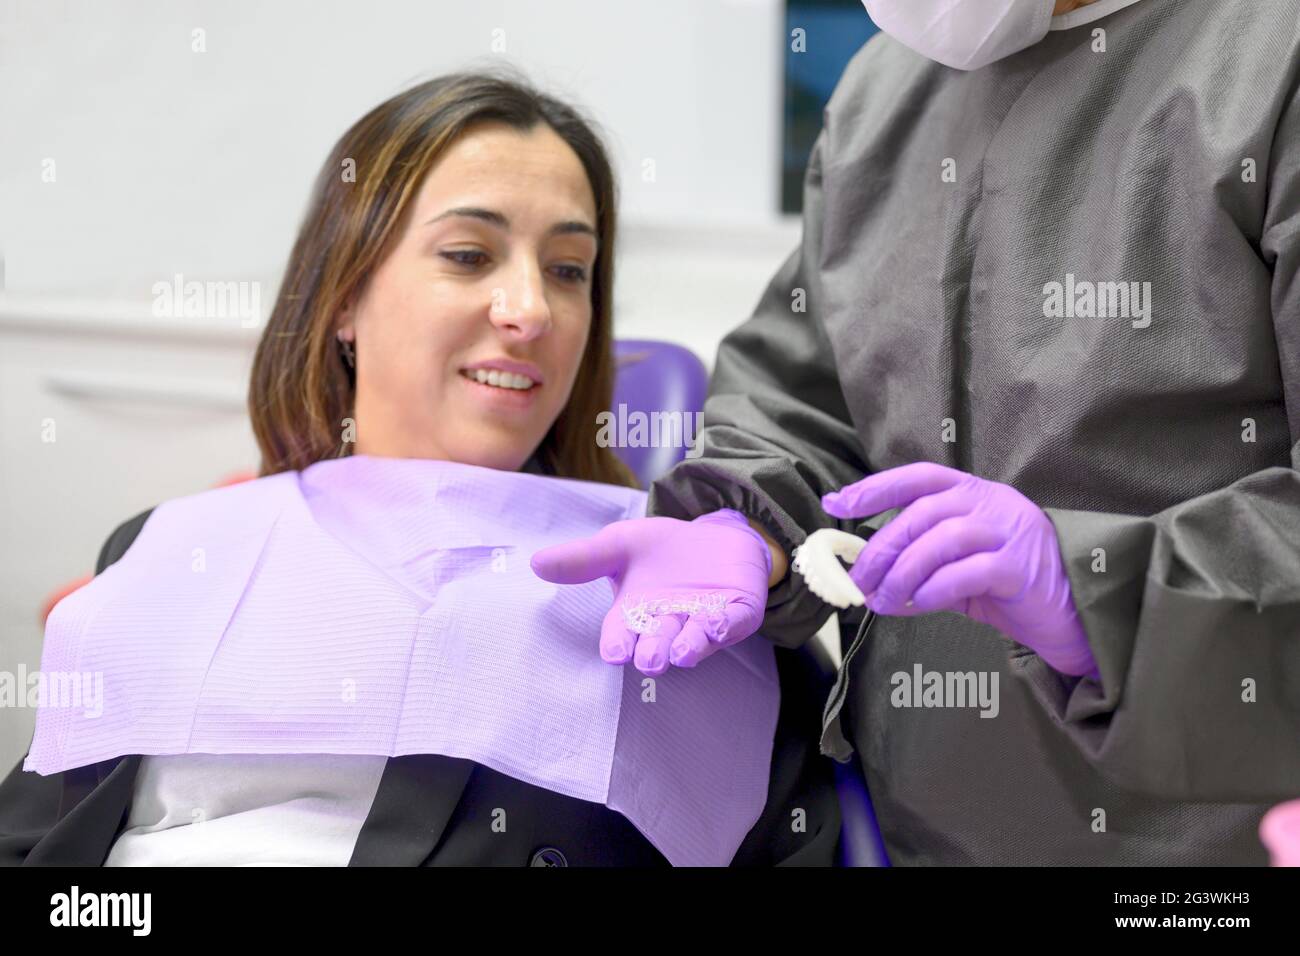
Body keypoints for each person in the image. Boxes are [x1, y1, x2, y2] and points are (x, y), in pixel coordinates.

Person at [0, 72, 839, 867]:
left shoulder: (681, 594)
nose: (530, 311)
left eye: (568, 270)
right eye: (469, 255)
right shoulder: (168, 546)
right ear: (342, 300)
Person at [532, 0, 1300, 864]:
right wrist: (745, 518)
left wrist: (1103, 593)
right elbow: (808, 386)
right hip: (916, 822)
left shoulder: (1269, 60)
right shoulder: (878, 97)